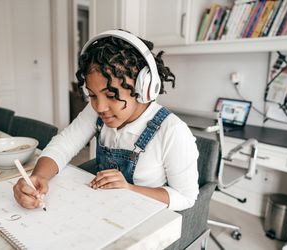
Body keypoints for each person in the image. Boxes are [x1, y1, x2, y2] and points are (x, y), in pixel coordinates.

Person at [13, 30, 199, 211]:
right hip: (105, 210)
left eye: (111, 95)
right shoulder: (97, 112)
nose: (100, 107)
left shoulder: (172, 131)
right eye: (93, 96)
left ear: (145, 87)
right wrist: (39, 176)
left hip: (144, 220)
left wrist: (130, 189)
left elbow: (186, 197)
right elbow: (64, 145)